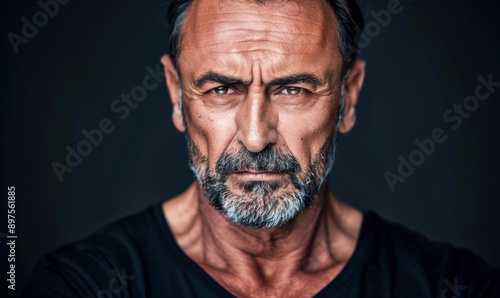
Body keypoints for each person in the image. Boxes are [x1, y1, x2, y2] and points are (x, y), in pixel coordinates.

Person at [24, 0, 499, 297]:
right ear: (175, 94)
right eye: (220, 90)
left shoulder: (449, 285)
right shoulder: (81, 285)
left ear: (348, 98)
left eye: (293, 90)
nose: (255, 136)